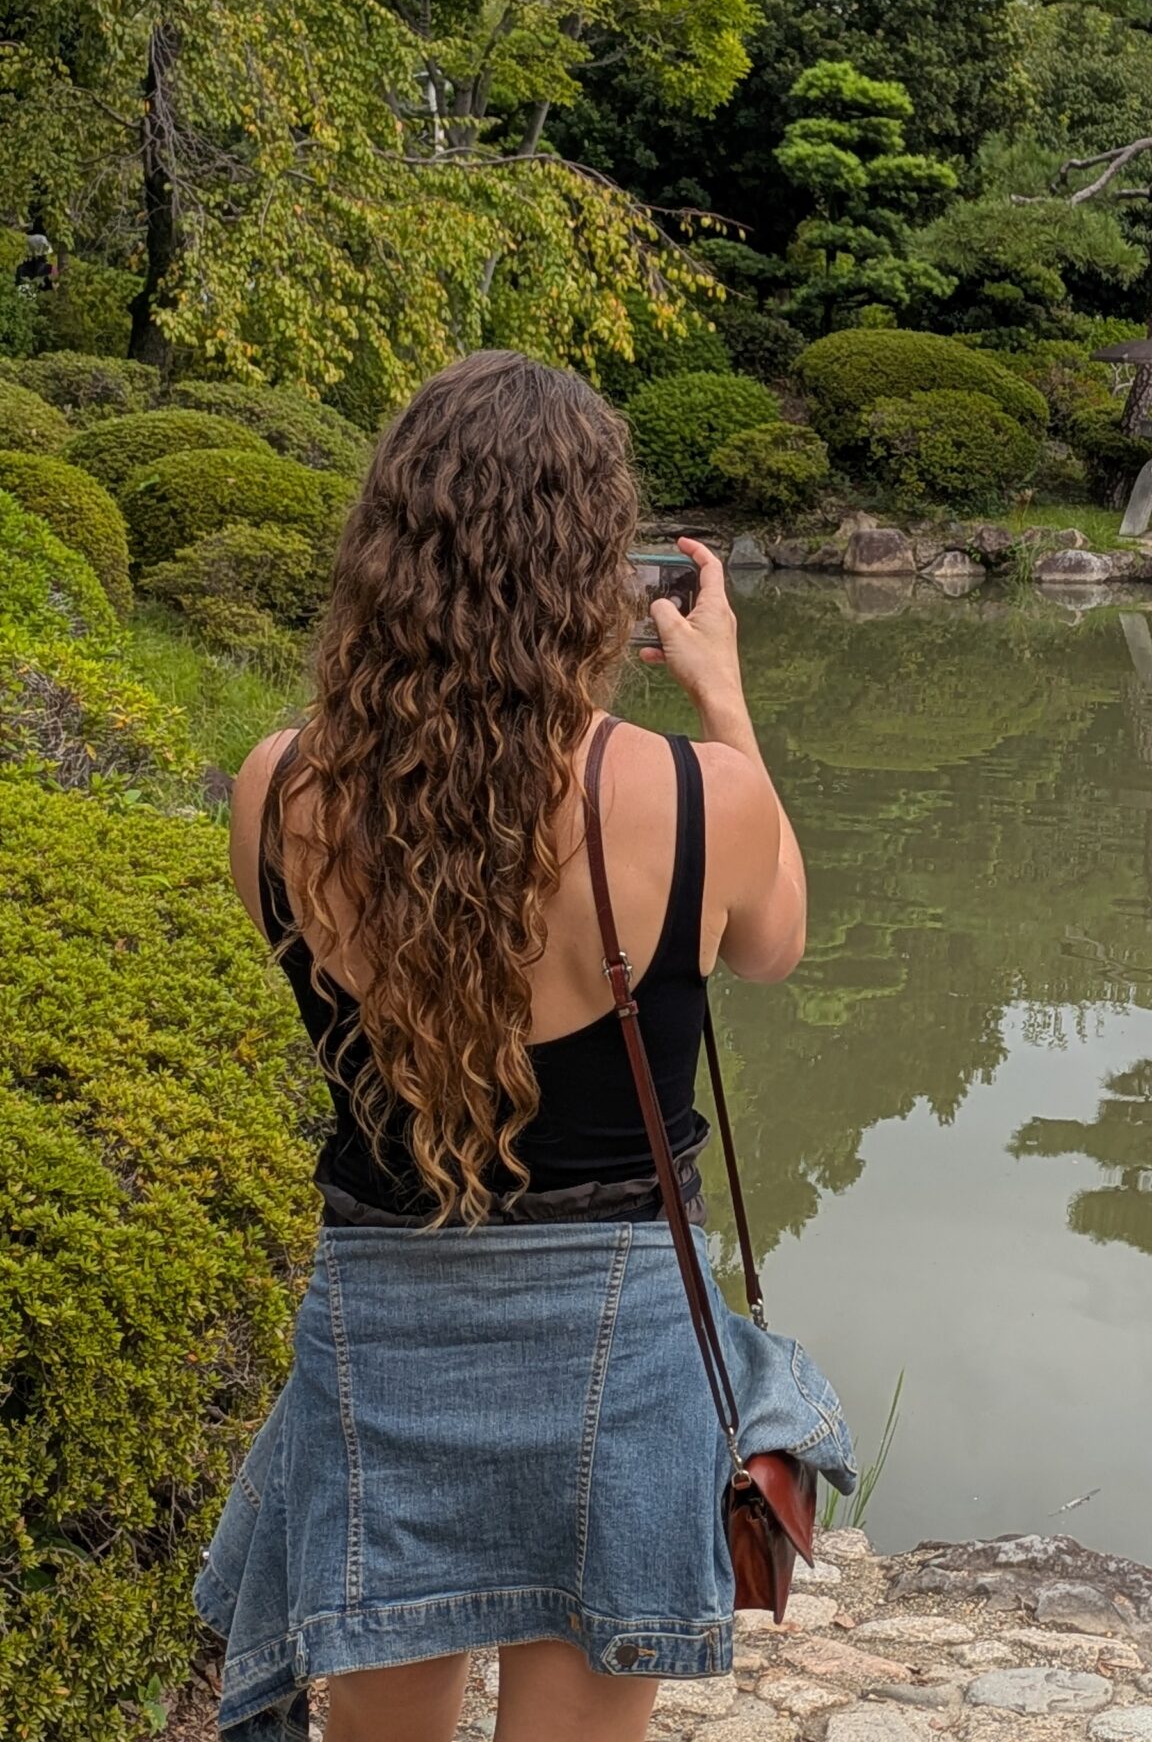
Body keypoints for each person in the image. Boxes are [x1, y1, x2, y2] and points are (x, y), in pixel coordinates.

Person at [196, 351, 852, 1742]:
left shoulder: (279, 787)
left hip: (383, 1320)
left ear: (385, 555)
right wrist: (725, 699)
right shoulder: (697, 797)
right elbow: (775, 946)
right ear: (594, 571)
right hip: (622, 1337)